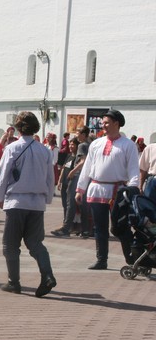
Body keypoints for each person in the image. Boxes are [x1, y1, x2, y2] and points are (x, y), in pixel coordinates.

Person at [0, 111, 57, 296]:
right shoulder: (44, 150)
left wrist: (0, 197)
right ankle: (47, 275)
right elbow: (50, 177)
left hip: (16, 201)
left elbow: (2, 175)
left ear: (18, 128)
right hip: (37, 203)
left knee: (10, 245)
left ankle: (14, 282)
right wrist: (48, 198)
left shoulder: (12, 148)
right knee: (35, 243)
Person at [76, 110, 139, 269]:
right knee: (99, 227)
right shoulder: (96, 144)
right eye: (102, 122)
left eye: (106, 122)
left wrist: (133, 189)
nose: (103, 125)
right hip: (97, 189)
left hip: (119, 191)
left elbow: (133, 169)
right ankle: (101, 260)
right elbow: (87, 167)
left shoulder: (128, 145)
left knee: (121, 227)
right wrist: (80, 189)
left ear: (116, 124)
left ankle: (132, 260)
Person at [52, 138, 82, 237]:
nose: (71, 146)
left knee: (70, 205)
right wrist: (60, 181)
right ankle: (65, 223)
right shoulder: (68, 156)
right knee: (65, 205)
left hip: (72, 184)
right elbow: (64, 168)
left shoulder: (78, 157)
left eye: (73, 144)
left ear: (77, 146)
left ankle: (70, 226)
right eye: (70, 144)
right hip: (64, 183)